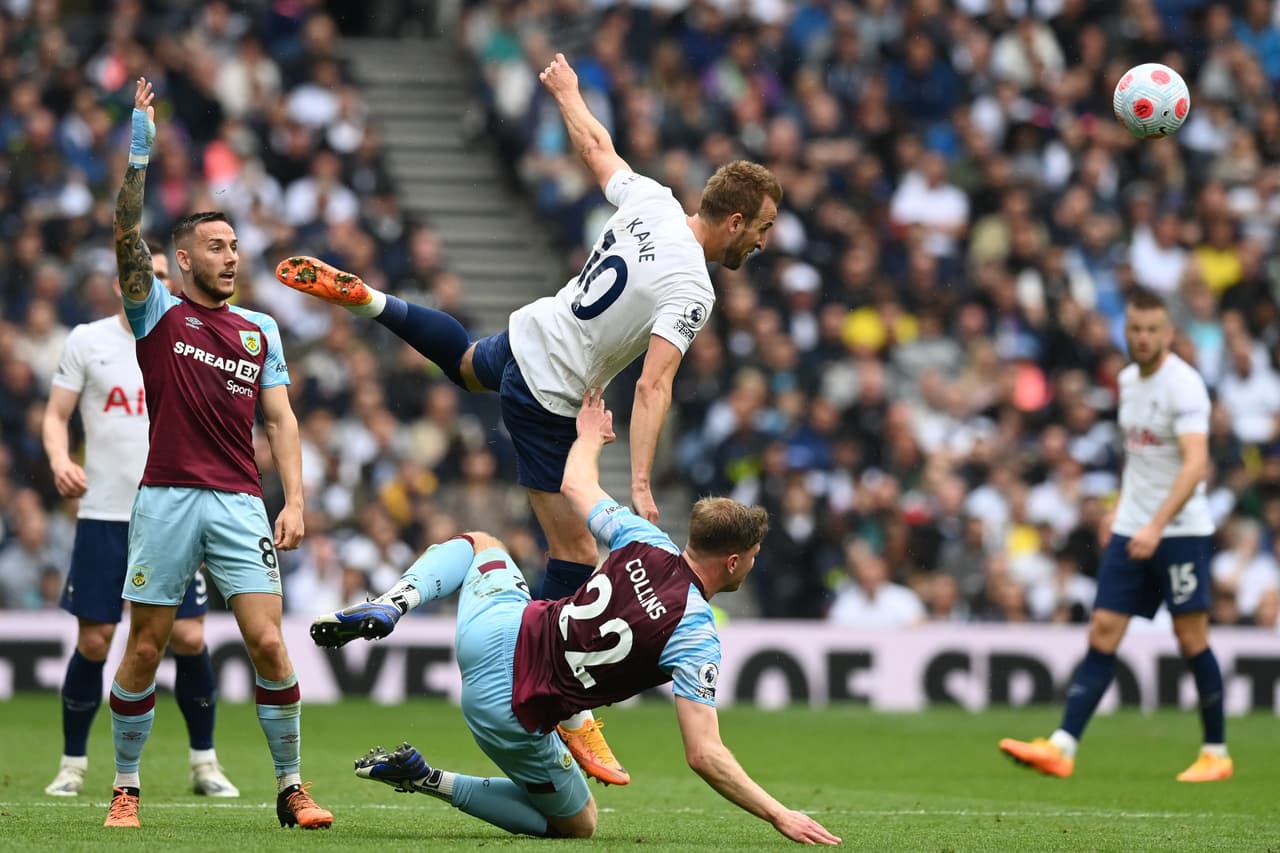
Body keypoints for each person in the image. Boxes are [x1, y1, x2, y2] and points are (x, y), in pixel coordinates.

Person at [274, 51, 781, 786]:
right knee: (576, 546)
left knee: (469, 364)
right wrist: (639, 481)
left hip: (532, 330)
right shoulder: (693, 285)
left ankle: (376, 302)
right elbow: (654, 386)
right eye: (759, 228)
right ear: (734, 219)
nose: (761, 242)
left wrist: (569, 92)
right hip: (551, 390)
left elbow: (596, 149)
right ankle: (564, 709)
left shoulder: (657, 203)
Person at [311, 390, 840, 845]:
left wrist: (588, 437)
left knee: (480, 543)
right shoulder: (697, 632)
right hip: (511, 706)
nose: (754, 561)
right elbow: (704, 754)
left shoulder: (645, 538)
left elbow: (575, 487)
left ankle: (395, 601)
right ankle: (427, 779)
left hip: (499, 626)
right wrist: (778, 813)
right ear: (733, 561)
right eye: (753, 554)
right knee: (578, 824)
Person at [101, 77, 331, 829]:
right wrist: (141, 144)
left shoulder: (260, 329)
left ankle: (292, 786)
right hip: (166, 496)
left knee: (268, 639)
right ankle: (126, 786)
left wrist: (294, 498)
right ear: (183, 257)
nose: (232, 256)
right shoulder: (155, 311)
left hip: (238, 500)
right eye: (217, 246)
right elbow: (123, 230)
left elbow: (282, 418)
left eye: (235, 245)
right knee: (146, 648)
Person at [999, 287, 1231, 782]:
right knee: (1103, 630)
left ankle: (1216, 752)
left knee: (1191, 638)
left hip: (1180, 531)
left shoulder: (1184, 386)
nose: (1143, 338)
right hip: (1133, 526)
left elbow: (1195, 466)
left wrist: (1155, 525)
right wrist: (1120, 510)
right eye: (1136, 329)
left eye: (1152, 330)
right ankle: (1062, 746)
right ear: (1126, 331)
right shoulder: (1127, 380)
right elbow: (1139, 458)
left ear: (1168, 333)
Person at [43, 247, 238, 798]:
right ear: (117, 283)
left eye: (158, 275)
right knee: (96, 641)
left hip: (174, 510)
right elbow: (56, 415)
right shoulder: (87, 340)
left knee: (190, 636)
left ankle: (205, 763)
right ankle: (73, 765)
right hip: (105, 512)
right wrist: (61, 460)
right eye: (140, 275)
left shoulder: (190, 337)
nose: (149, 283)